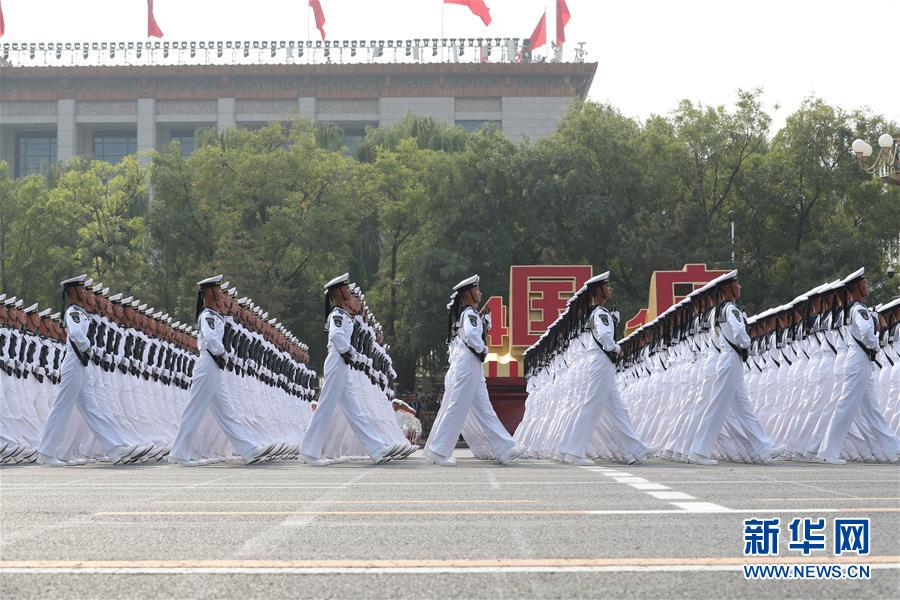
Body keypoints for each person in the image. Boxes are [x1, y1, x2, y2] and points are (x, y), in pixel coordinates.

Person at [39, 275, 151, 466]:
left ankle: (115, 449)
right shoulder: (72, 312)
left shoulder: (81, 313)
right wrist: (89, 347)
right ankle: (46, 452)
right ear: (73, 292)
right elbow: (75, 334)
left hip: (82, 364)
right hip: (74, 363)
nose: (84, 292)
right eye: (81, 290)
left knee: (92, 409)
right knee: (61, 407)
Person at [170, 275, 273, 465]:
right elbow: (210, 339)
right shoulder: (208, 315)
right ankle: (179, 453)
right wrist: (224, 353)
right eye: (217, 291)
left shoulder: (215, 316)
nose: (220, 295)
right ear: (208, 294)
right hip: (208, 364)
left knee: (227, 411)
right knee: (195, 410)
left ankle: (249, 449)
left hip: (215, 367)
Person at [299, 273, 399, 465]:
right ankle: (309, 453)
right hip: (337, 361)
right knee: (325, 408)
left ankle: (376, 449)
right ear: (338, 292)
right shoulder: (337, 315)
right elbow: (337, 337)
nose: (349, 292)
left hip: (342, 364)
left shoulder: (343, 315)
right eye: (345, 289)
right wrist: (350, 351)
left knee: (355, 410)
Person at [555, 272, 654, 466]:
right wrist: (616, 348)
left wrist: (613, 323)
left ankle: (634, 449)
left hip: (601, 363)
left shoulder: (598, 313)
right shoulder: (600, 312)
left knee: (619, 410)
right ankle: (573, 451)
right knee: (591, 406)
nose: (610, 289)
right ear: (599, 291)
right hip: (601, 362)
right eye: (607, 286)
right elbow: (604, 336)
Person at [424, 275, 523, 466]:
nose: (480, 293)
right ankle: (439, 450)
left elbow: (474, 332)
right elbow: (471, 335)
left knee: (485, 410)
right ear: (467, 293)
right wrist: (483, 348)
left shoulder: (468, 313)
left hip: (470, 364)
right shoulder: (469, 313)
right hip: (468, 363)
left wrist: (484, 321)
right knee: (457, 408)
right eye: (476, 289)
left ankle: (505, 448)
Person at [689, 272, 782, 465]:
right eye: (736, 284)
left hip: (730, 359)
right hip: (730, 359)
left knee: (744, 408)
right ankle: (699, 451)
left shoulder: (719, 309)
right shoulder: (731, 309)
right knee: (717, 406)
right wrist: (746, 342)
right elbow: (740, 332)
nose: (740, 287)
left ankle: (765, 447)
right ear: (727, 289)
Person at [817, 269, 900, 464]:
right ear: (857, 287)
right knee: (845, 406)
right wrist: (876, 344)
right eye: (864, 283)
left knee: (872, 410)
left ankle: (891, 449)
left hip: (860, 360)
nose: (867, 285)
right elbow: (865, 333)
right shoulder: (859, 309)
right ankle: (828, 452)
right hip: (859, 359)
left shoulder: (857, 309)